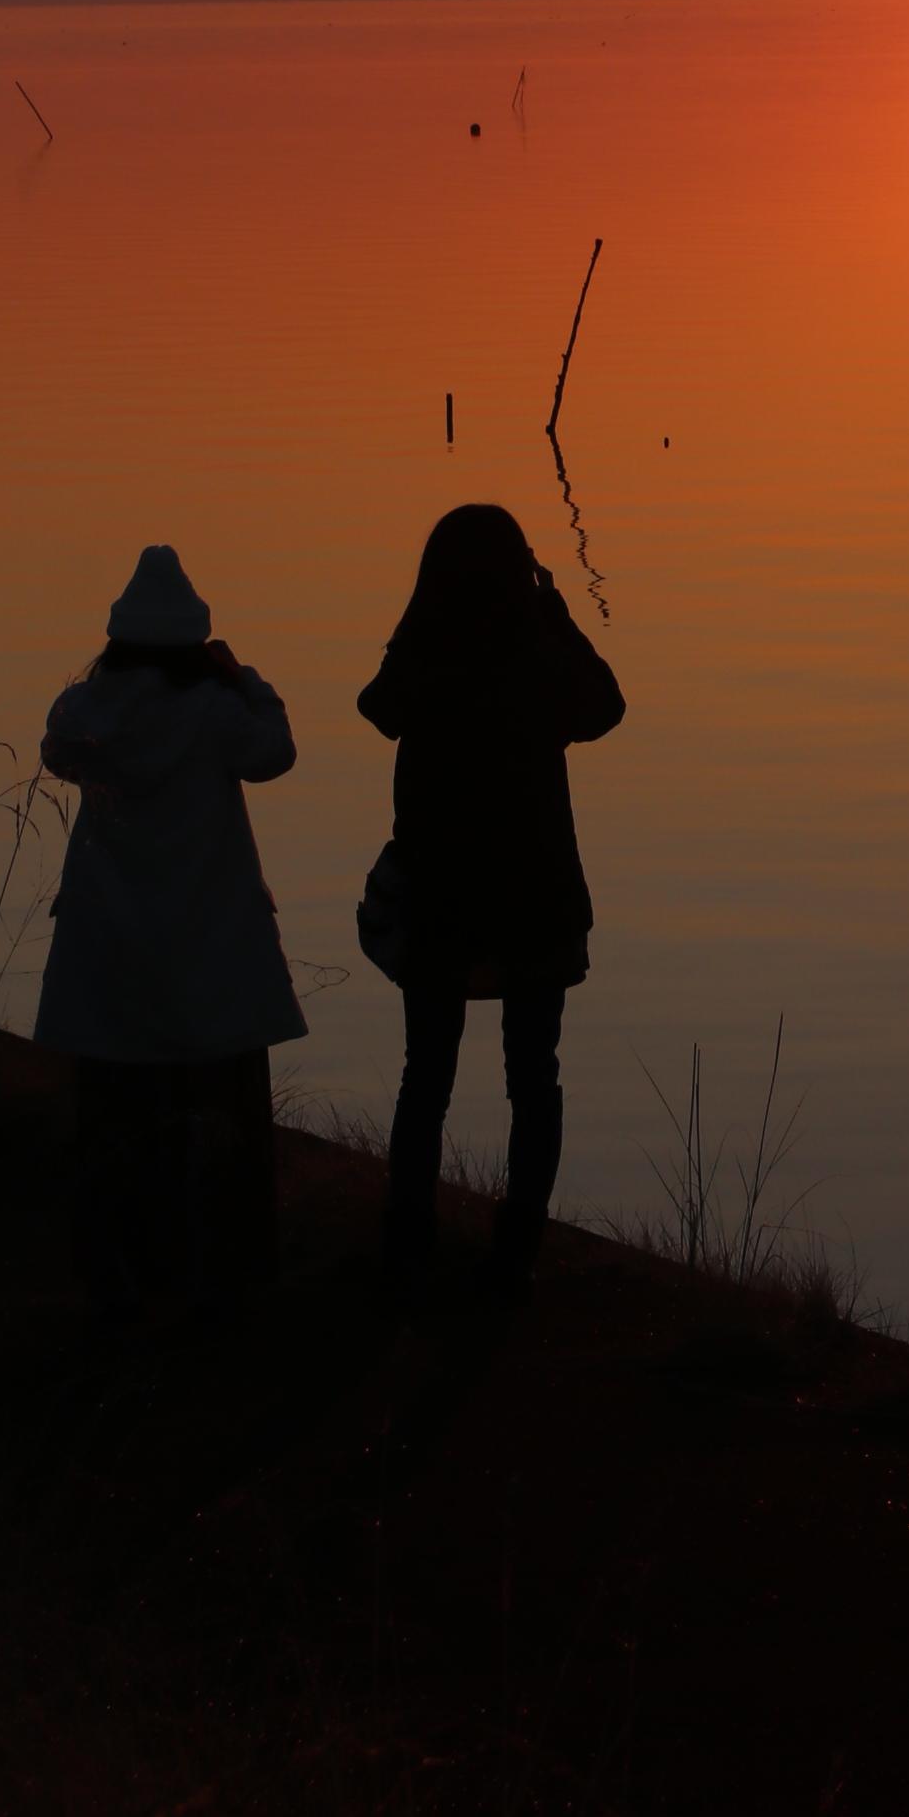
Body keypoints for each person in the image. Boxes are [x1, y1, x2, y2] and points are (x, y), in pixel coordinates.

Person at [358, 504, 625, 1297]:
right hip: (534, 895)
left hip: (443, 896)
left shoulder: (430, 656)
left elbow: (378, 707)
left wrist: (418, 620)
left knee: (426, 1076)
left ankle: (410, 1242)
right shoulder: (537, 655)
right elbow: (605, 707)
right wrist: (555, 612)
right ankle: (516, 1250)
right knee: (533, 1077)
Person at [36, 545, 306, 1310]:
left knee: (116, 1117)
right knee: (223, 1112)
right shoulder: (219, 713)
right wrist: (242, 676)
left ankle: (116, 1271)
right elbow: (276, 752)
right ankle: (228, 1273)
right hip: (211, 942)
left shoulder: (87, 717)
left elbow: (57, 739)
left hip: (110, 946)